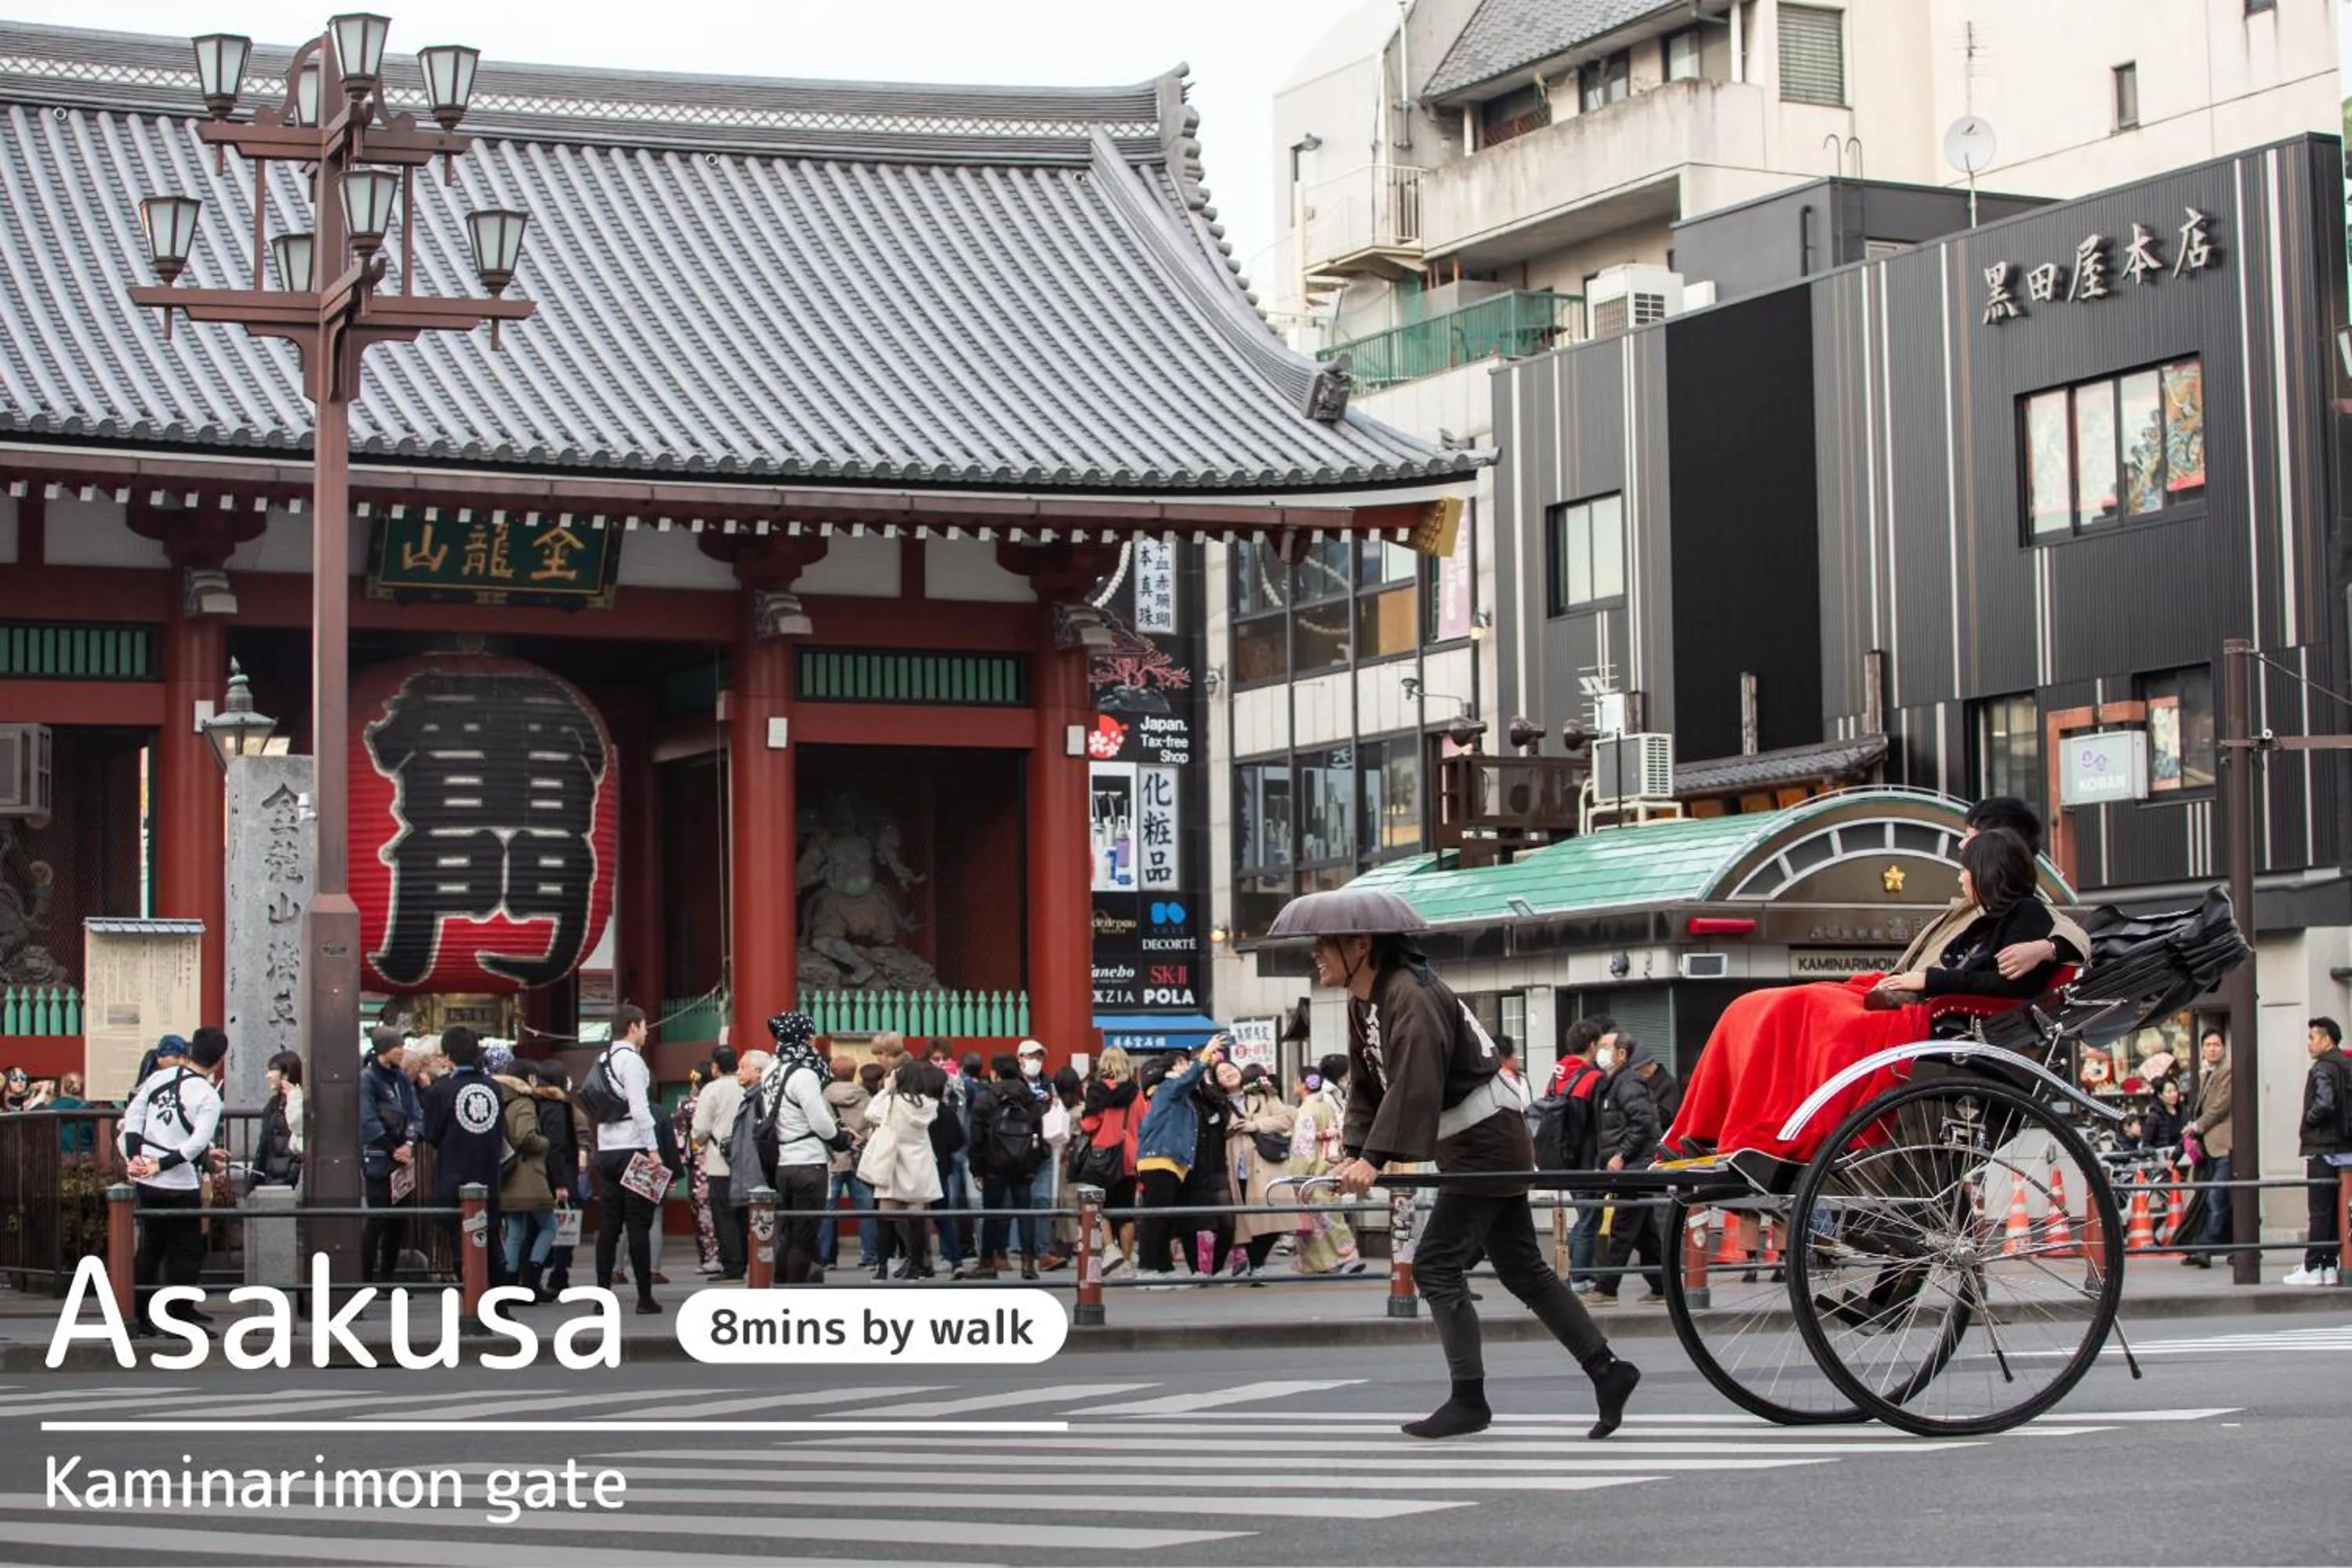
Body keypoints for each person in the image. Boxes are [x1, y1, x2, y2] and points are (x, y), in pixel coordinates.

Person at [1291, 886, 1640, 1441]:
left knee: (1434, 1265)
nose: (1315, 952)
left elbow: (1415, 1082)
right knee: (1523, 1269)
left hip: (1486, 1139)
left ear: (1361, 943)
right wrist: (1357, 1152)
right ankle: (1608, 1370)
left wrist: (1376, 1157)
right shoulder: (1367, 1000)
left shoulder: (1411, 993)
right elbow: (1367, 1085)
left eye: (1323, 943)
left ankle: (1469, 1399)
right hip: (1474, 1139)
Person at [1669, 822, 2078, 1162]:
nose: (1960, 876)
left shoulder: (2030, 915)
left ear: (1989, 871)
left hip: (1941, 1016)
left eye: (1965, 868)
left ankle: (1769, 1130)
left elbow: (2009, 987)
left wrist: (1929, 981)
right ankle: (1709, 1127)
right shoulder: (1981, 919)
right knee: (1755, 1006)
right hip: (1918, 999)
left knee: (1810, 1013)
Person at [117, 1031, 225, 1336]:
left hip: (147, 1178)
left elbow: (134, 1116)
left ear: (191, 1052)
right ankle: (176, 1316)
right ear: (219, 1060)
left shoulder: (159, 1078)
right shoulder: (207, 1096)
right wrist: (163, 1163)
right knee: (187, 1251)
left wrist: (138, 1156)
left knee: (151, 1246)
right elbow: (195, 1145)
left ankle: (139, 1315)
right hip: (178, 1181)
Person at [758, 1011, 844, 1285]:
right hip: (808, 1162)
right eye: (810, 1035)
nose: (813, 1040)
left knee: (789, 1232)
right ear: (803, 1037)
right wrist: (841, 1139)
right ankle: (793, 1293)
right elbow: (819, 1120)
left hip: (783, 1161)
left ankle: (784, 1284)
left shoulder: (772, 1069)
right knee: (804, 1236)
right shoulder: (804, 1074)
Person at [420, 1027, 506, 1288]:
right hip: (489, 1174)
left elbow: (432, 1134)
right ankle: (497, 1304)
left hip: (453, 1176)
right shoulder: (493, 1087)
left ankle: (473, 1302)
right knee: (491, 1241)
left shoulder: (441, 1090)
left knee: (461, 1243)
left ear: (448, 1055)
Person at [591, 1004, 663, 1314]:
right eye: (645, 1026)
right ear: (633, 1027)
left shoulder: (602, 1059)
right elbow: (640, 1108)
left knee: (609, 1226)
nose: (646, 1033)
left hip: (606, 1149)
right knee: (637, 1225)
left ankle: (601, 1296)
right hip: (633, 1147)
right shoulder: (631, 1061)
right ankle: (644, 1297)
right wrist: (654, 1148)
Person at [1588, 1037, 1666, 1303]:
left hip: (1633, 1166)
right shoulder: (1615, 1082)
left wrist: (1622, 1154)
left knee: (1623, 1227)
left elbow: (1642, 1122)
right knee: (1644, 1232)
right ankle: (1662, 1286)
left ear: (1622, 1053)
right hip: (1631, 1166)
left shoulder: (1627, 1082)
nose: (1600, 1052)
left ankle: (1606, 1287)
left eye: (1606, 1047)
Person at [859, 1054, 944, 1278]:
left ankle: (882, 1268)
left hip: (893, 1162)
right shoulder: (930, 1105)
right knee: (916, 1220)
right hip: (919, 1163)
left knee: (886, 1218)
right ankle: (916, 1266)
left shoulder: (892, 1102)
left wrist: (887, 1090)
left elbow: (869, 1113)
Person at [2283, 1017, 2350, 1286]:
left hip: (2322, 1146)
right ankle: (2329, 1264)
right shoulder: (2347, 1065)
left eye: (2312, 1037)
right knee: (2336, 1212)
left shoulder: (2322, 1068)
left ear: (2327, 1040)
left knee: (2319, 1211)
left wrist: (2310, 1119)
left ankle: (2312, 1267)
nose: (2309, 1043)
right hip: (2345, 1148)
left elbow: (2324, 1103)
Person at [971, 1053, 1049, 1278]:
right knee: (1025, 1212)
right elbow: (1038, 1131)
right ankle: (1028, 1263)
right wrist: (1035, 1161)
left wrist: (977, 1169)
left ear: (994, 1073)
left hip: (994, 1164)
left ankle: (988, 1261)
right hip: (1024, 1163)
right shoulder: (1029, 1098)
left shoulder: (986, 1099)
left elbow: (976, 1138)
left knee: (993, 1213)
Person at [1548, 1019, 1610, 1292]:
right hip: (1588, 1158)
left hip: (1562, 1158)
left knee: (1582, 1215)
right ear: (1592, 1045)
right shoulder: (1593, 1079)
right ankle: (1580, 1277)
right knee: (1589, 1218)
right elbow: (1601, 1124)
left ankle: (1570, 1273)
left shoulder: (1557, 1075)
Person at [360, 1027, 422, 1285]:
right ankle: (364, 1279)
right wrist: (392, 1147)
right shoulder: (367, 1079)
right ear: (384, 1050)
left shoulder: (402, 1080)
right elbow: (368, 1120)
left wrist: (409, 1142)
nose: (403, 1051)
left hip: (403, 1157)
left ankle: (388, 1278)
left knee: (399, 1222)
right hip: (379, 1155)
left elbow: (417, 1113)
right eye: (399, 1046)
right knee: (378, 1219)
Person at [1287, 1066, 1363, 1275]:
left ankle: (1347, 1257)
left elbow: (1304, 1147)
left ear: (1304, 1084)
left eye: (1296, 1081)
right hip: (1331, 1165)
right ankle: (1320, 1263)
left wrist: (1296, 1174)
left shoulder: (1307, 1109)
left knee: (1322, 1220)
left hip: (1314, 1172)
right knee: (1326, 1217)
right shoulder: (1326, 1106)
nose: (1294, 1085)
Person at [1228, 1064, 1298, 1279]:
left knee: (1278, 1216)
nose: (1227, 1075)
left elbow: (1286, 1120)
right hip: (1237, 1166)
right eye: (1220, 1073)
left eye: (1229, 1070)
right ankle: (1255, 1265)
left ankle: (1256, 1261)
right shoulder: (1219, 1102)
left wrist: (1256, 1124)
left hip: (1267, 1165)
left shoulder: (1262, 1097)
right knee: (1247, 1220)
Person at [494, 1053, 555, 1300]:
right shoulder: (525, 1103)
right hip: (528, 1174)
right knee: (549, 1226)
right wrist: (545, 1143)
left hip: (508, 1175)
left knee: (515, 1230)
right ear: (528, 1078)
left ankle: (508, 1282)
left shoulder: (501, 1100)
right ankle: (533, 1277)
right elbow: (525, 1136)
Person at [1078, 1047, 1142, 1273]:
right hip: (1129, 1157)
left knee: (1099, 1206)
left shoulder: (1097, 1091)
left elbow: (1090, 1124)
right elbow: (1144, 1118)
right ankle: (1125, 1263)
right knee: (1126, 1212)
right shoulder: (1135, 1091)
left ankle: (1110, 1251)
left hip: (1102, 1156)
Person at [532, 1058, 590, 1294]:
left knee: (532, 1229)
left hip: (537, 1175)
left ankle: (532, 1275)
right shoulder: (562, 1107)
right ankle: (556, 1273)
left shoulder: (532, 1104)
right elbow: (559, 1146)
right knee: (561, 1227)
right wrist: (563, 1182)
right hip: (559, 1175)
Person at [691, 1044, 746, 1281]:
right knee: (745, 1214)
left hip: (719, 1161)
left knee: (724, 1216)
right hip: (747, 1160)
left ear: (715, 1067)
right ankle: (746, 1260)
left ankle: (732, 1266)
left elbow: (700, 1131)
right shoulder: (749, 1087)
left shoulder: (711, 1090)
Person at [2180, 1027, 2234, 1268]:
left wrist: (2197, 1126)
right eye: (2209, 1045)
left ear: (2223, 1047)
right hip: (2209, 1146)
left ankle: (2205, 1249)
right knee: (2220, 1198)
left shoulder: (2227, 1071)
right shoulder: (2205, 1073)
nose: (2213, 1049)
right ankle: (2238, 1247)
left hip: (2224, 1144)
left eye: (2217, 1045)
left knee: (2216, 1197)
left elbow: (2221, 1106)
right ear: (2202, 1049)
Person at [821, 1061, 880, 1269]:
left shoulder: (825, 1095)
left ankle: (826, 1258)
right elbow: (874, 1123)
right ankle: (870, 1256)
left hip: (834, 1158)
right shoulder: (865, 1095)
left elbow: (823, 1124)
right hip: (859, 1158)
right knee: (866, 1210)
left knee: (828, 1211)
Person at [673, 1062, 720, 1277]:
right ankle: (730, 1255)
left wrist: (678, 1166)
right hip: (725, 1163)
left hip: (700, 1167)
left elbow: (680, 1140)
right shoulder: (722, 1100)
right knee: (726, 1213)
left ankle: (710, 1258)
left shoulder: (689, 1107)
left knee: (703, 1214)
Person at [254, 1051, 305, 1189]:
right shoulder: (274, 1103)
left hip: (289, 1177)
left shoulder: (300, 1100)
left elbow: (296, 1125)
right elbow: (264, 1144)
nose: (268, 1076)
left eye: (272, 1070)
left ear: (287, 1074)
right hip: (271, 1175)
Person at [2140, 1077, 2188, 1155]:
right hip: (2164, 1158)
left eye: (2175, 1090)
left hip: (2185, 1156)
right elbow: (2146, 1144)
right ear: (2160, 1095)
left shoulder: (2182, 1111)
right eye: (2169, 1092)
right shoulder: (2154, 1116)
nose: (2174, 1094)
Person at [52, 1071, 92, 1157]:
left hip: (55, 1160)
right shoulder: (89, 1111)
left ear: (62, 1088)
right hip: (84, 1161)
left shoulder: (49, 1109)